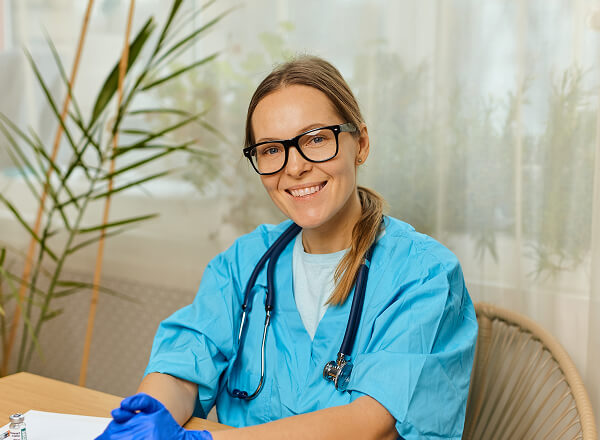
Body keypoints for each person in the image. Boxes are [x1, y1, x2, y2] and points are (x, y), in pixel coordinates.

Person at [97, 55, 478, 440]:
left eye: (315, 139)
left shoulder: (424, 274)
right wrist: (150, 414)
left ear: (360, 144)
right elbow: (183, 366)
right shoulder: (243, 263)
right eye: (271, 150)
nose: (293, 167)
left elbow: (375, 424)